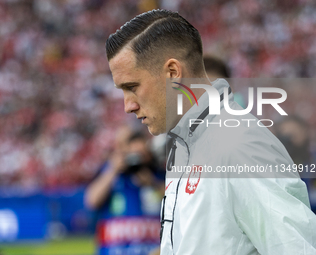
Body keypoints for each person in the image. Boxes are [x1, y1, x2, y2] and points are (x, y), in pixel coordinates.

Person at [106, 9, 316, 255]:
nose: (127, 105)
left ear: (173, 73)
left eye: (132, 86)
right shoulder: (187, 142)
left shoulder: (239, 145)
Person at [85, 125, 165, 255]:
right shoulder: (112, 173)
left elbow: (177, 202)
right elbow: (92, 201)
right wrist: (114, 170)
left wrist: (152, 182)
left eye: (141, 154)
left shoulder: (158, 174)